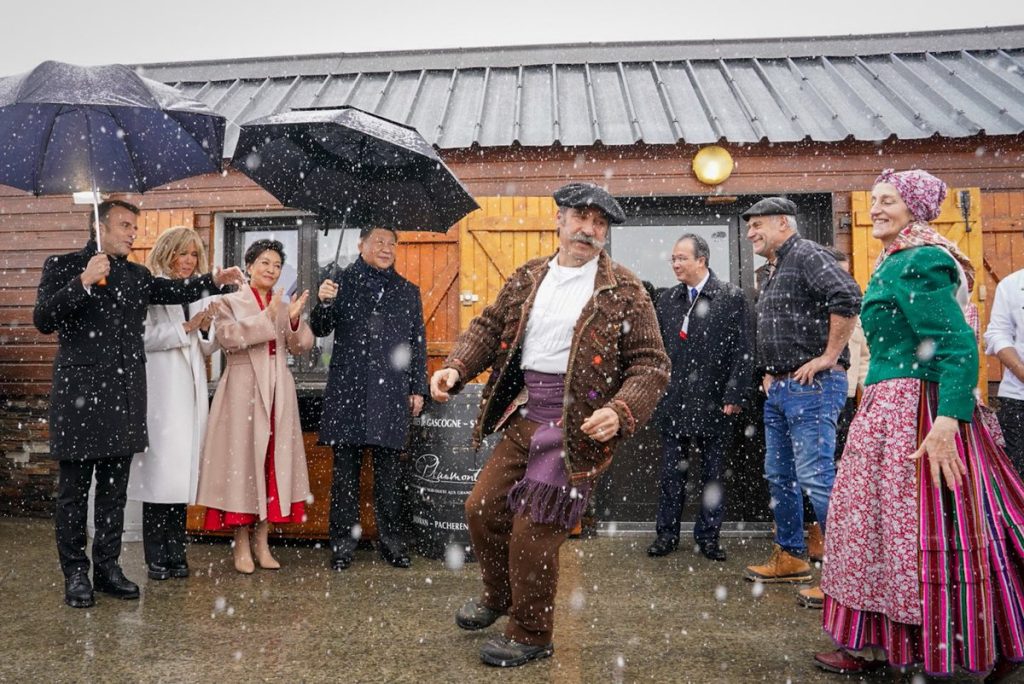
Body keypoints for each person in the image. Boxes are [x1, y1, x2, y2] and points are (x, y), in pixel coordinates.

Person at [430, 182, 670, 668]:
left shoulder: (626, 291)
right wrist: (456, 367)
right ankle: (499, 596)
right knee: (481, 509)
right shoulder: (528, 276)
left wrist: (621, 411)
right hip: (524, 417)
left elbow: (651, 365)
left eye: (600, 223)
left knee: (534, 531)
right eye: (581, 218)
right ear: (559, 220)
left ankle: (532, 631)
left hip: (577, 431)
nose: (589, 229)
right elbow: (489, 326)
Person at [816, 169, 1024, 681]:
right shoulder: (900, 258)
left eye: (888, 200)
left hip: (918, 413)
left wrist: (948, 421)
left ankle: (955, 644)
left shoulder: (920, 260)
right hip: (892, 410)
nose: (876, 209)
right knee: (881, 529)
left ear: (915, 208)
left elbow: (954, 346)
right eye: (873, 200)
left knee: (923, 527)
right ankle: (886, 643)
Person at [33, 200, 244, 608]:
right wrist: (83, 281)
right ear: (99, 226)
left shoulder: (137, 274)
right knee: (74, 494)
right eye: (126, 225)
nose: (133, 232)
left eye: (135, 226)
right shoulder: (62, 265)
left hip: (126, 400)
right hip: (79, 400)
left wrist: (212, 281)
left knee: (114, 493)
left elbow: (174, 290)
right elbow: (43, 318)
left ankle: (108, 568)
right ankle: (76, 572)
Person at [741, 197, 861, 607]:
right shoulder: (775, 269)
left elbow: (847, 295)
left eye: (758, 225)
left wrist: (829, 357)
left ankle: (845, 578)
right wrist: (770, 372)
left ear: (782, 223)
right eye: (749, 227)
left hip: (813, 388)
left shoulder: (807, 253)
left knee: (816, 478)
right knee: (780, 476)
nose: (751, 233)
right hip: (782, 388)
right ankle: (792, 555)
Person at [310, 226, 428, 570]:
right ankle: (342, 547)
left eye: (392, 243)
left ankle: (392, 544)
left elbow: (417, 343)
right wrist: (324, 301)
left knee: (389, 474)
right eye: (379, 241)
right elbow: (320, 328)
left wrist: (417, 387)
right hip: (349, 389)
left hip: (391, 391)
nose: (386, 248)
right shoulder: (339, 282)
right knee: (345, 474)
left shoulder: (408, 291)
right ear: (361, 245)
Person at [195, 239, 314, 574]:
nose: (271, 270)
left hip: (279, 391)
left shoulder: (283, 301)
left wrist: (292, 321)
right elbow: (229, 338)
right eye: (264, 262)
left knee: (271, 467)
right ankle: (242, 545)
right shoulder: (227, 301)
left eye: (276, 265)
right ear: (248, 266)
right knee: (242, 466)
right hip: (242, 390)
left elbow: (301, 346)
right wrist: (267, 316)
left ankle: (263, 543)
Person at [646, 233, 753, 562]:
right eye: (673, 259)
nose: (675, 264)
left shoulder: (731, 297)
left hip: (715, 401)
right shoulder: (667, 300)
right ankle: (666, 535)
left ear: (702, 260)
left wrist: (735, 392)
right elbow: (658, 351)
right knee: (670, 474)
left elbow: (744, 351)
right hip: (674, 400)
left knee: (713, 475)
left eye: (682, 258)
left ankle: (709, 537)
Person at [127, 227, 220, 581]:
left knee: (181, 481)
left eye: (194, 255)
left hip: (190, 394)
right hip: (162, 396)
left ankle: (177, 551)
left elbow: (206, 347)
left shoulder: (197, 290)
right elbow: (142, 337)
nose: (189, 261)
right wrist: (186, 327)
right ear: (168, 254)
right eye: (183, 254)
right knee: (159, 479)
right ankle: (156, 557)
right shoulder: (150, 287)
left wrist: (207, 327)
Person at [984, 265, 1024, 474]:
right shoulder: (1010, 285)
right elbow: (998, 333)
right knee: (1019, 474)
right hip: (1018, 398)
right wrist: (1020, 370)